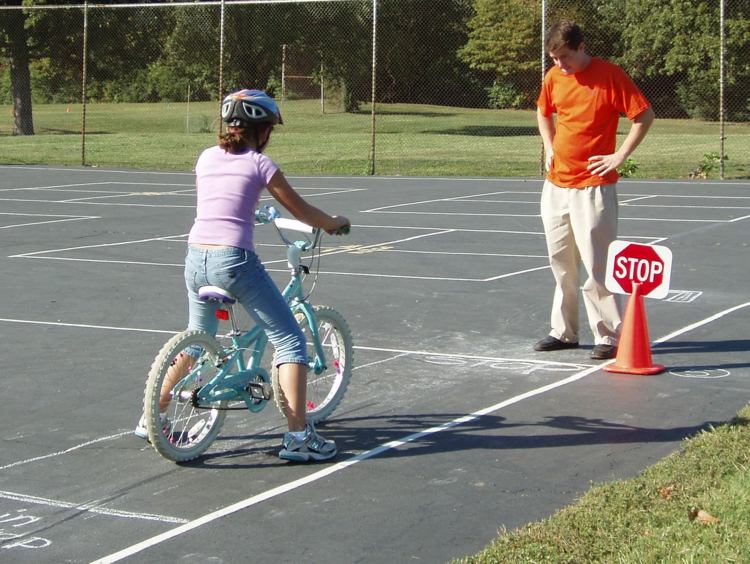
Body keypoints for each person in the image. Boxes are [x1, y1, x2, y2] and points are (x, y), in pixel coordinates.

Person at [135, 89, 350, 462]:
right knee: (290, 340)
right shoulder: (260, 165)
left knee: (198, 337)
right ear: (262, 130)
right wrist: (333, 223)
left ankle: (153, 414)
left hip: (195, 257)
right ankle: (299, 437)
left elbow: (219, 203)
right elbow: (301, 210)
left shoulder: (205, 158)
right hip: (233, 261)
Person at [534, 21, 654, 360]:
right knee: (561, 261)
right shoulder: (554, 77)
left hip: (594, 187)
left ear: (582, 46)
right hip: (557, 184)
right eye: (554, 58)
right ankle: (564, 331)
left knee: (597, 263)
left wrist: (619, 156)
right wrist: (550, 147)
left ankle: (609, 335)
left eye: (565, 57)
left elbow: (644, 116)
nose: (560, 64)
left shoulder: (610, 75)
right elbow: (544, 113)